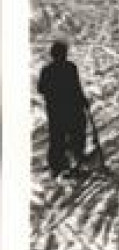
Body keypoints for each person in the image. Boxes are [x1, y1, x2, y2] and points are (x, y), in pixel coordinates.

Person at [38, 41, 89, 176]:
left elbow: (41, 89)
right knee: (75, 133)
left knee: (57, 137)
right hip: (71, 108)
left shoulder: (47, 70)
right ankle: (75, 160)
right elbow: (76, 87)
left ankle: (58, 165)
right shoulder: (70, 67)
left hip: (56, 110)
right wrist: (82, 100)